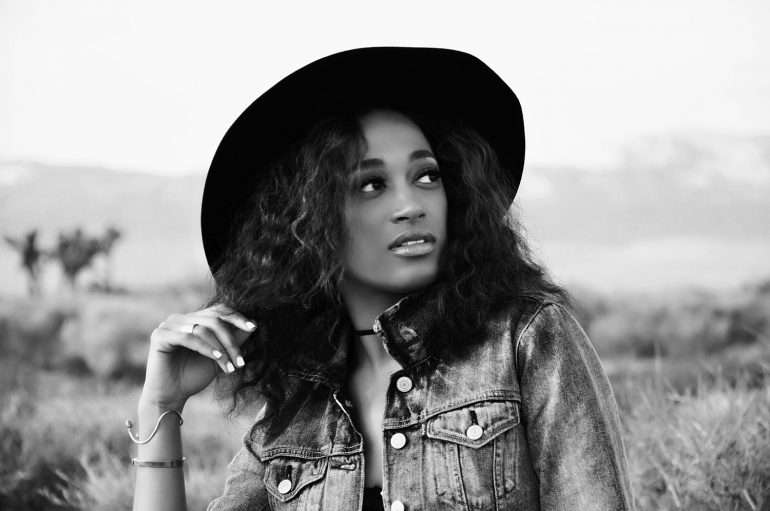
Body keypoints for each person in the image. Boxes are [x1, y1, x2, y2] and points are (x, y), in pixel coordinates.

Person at [131, 47, 634, 511]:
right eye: (372, 184)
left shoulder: (524, 338)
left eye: (427, 176)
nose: (411, 204)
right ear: (307, 220)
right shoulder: (295, 410)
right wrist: (161, 405)